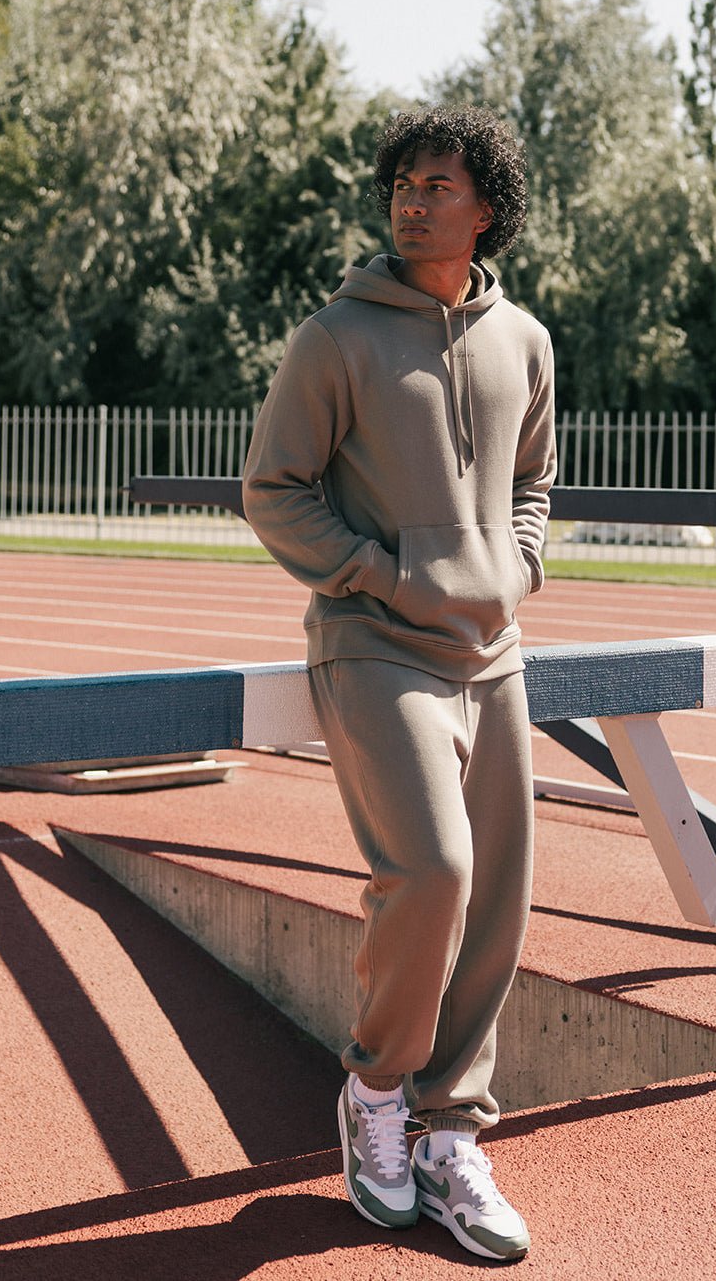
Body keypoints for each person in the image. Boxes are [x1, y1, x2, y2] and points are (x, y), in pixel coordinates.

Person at [242, 104, 555, 1262]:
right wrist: (378, 574)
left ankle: (447, 1134)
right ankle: (376, 1092)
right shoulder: (334, 338)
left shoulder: (524, 342)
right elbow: (274, 489)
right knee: (431, 871)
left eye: (437, 186)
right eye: (402, 185)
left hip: (492, 652)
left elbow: (532, 484)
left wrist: (516, 567)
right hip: (375, 644)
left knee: (498, 899)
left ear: (487, 211)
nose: (412, 202)